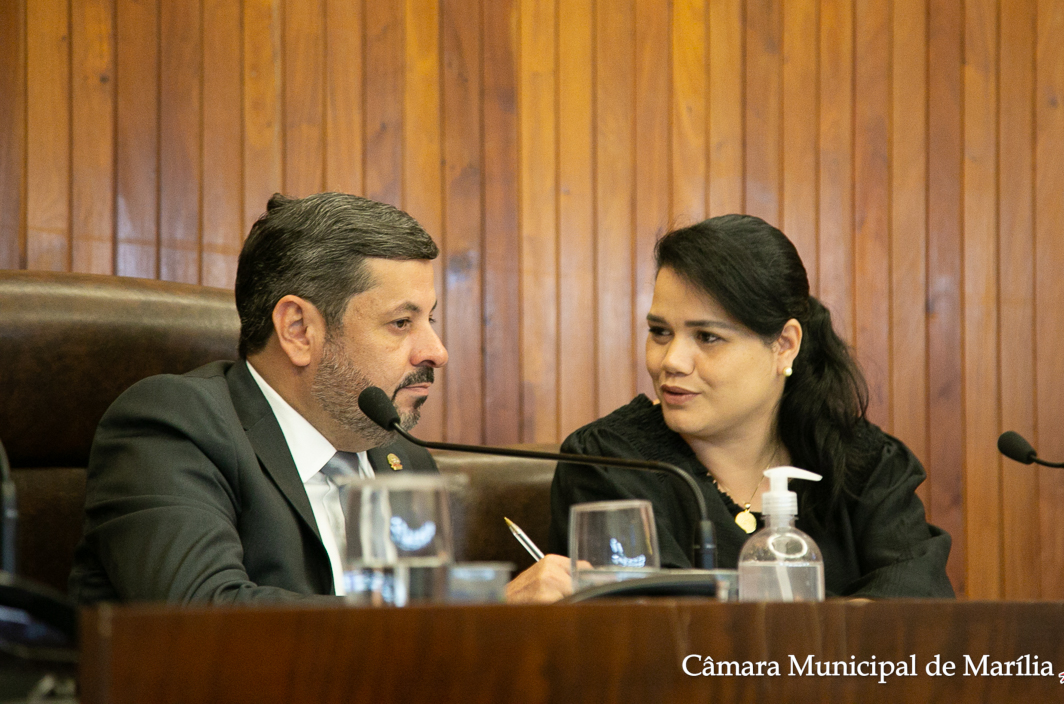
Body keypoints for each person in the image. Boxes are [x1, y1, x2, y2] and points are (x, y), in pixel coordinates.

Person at [69, 192, 571, 605]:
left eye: (430, 319)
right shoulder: (174, 427)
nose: (436, 352)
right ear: (298, 329)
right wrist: (477, 610)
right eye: (401, 322)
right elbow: (204, 613)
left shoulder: (401, 458)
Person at [549, 215, 954, 598]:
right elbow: (661, 620)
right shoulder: (609, 462)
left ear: (784, 346)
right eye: (660, 332)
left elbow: (917, 606)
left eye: (707, 337)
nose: (671, 361)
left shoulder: (866, 464)